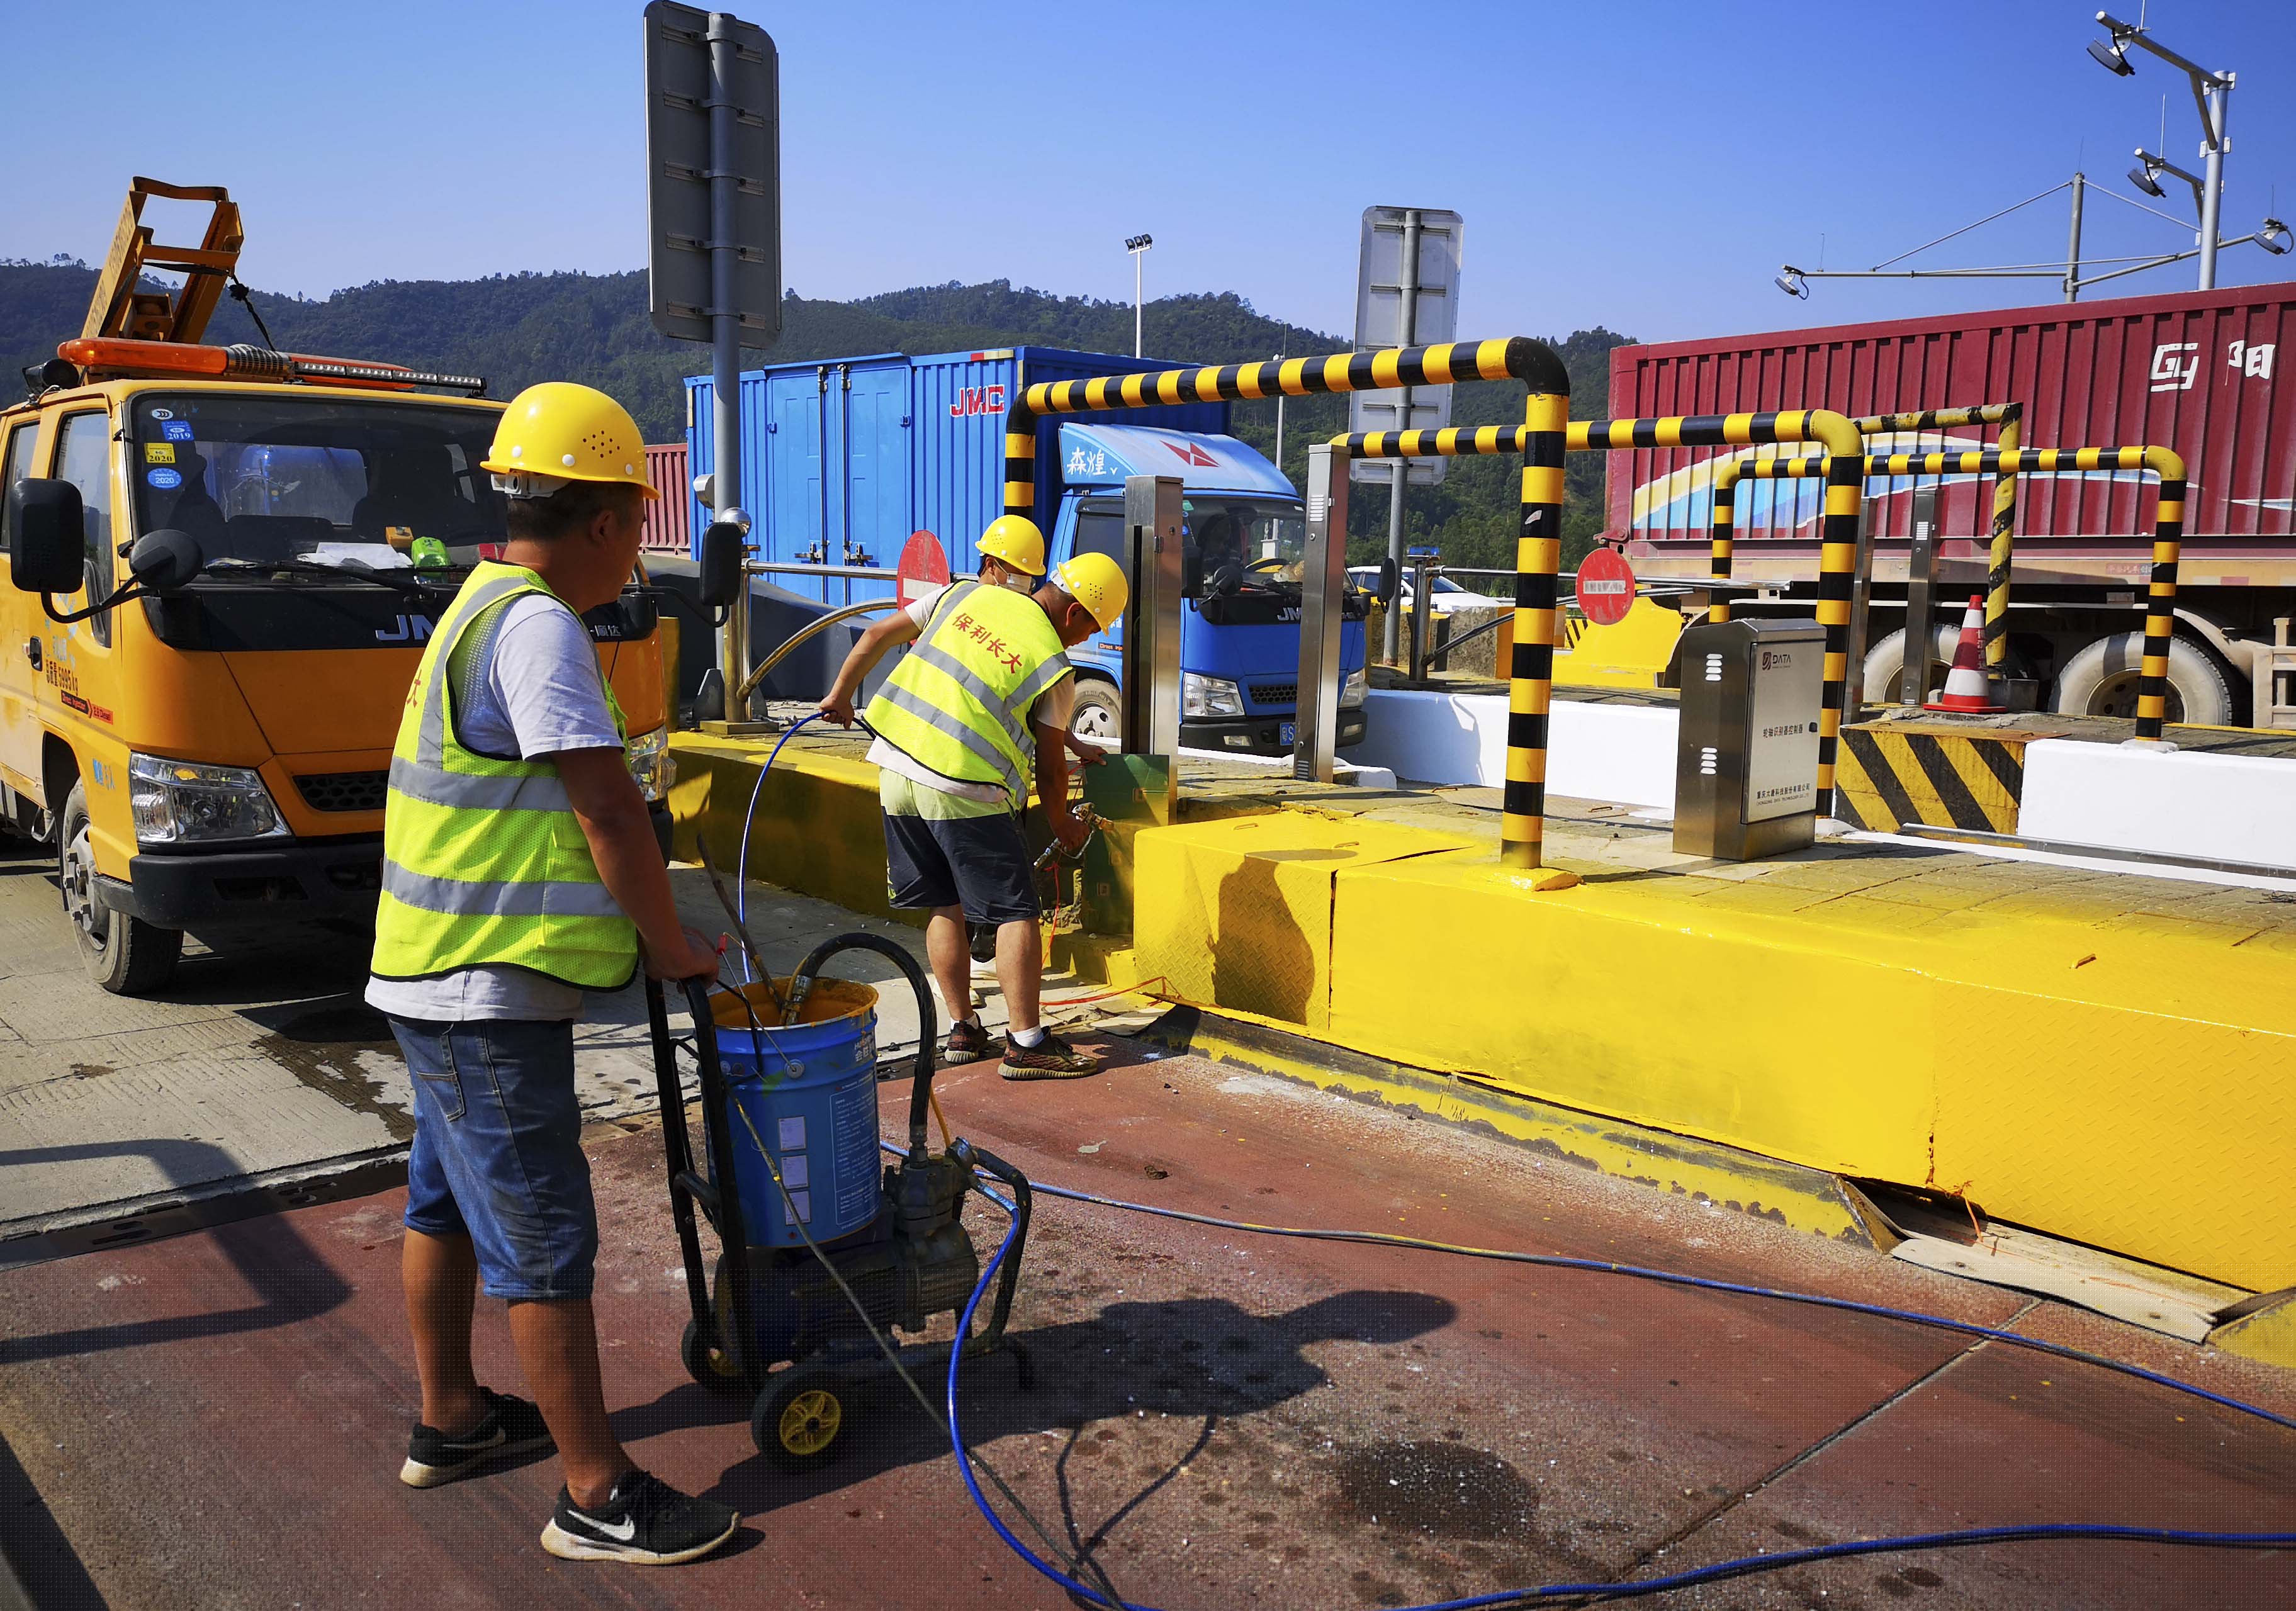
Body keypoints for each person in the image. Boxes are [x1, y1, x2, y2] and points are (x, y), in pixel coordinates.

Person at [367, 381, 738, 1566]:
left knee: (447, 1202)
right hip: (486, 987)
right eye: (636, 520)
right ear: (607, 525)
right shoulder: (538, 629)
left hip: (440, 977)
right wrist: (674, 944)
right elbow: (609, 815)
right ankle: (595, 1492)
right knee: (540, 1230)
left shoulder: (480, 602)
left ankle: (454, 1418)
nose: (637, 546)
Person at [816, 532, 1128, 1078]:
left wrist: (841, 695)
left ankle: (962, 1029)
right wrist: (1061, 823)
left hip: (896, 770)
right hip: (965, 786)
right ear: (1075, 611)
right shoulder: (1052, 661)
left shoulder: (961, 596)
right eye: (1090, 629)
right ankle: (1027, 1042)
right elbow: (1050, 769)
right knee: (1014, 912)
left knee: (945, 904)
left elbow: (879, 635)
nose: (1084, 640)